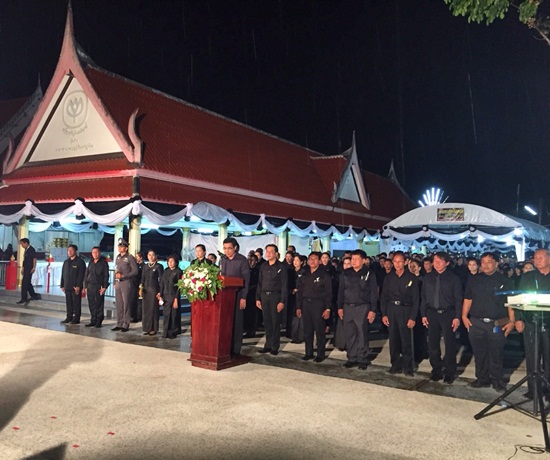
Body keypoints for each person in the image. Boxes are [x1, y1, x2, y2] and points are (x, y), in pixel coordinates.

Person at [462, 252, 515, 392]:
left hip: (497, 323)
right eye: (483, 262)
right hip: (476, 322)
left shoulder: (505, 281)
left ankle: (497, 380)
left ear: (496, 264)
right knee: (479, 353)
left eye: (489, 262)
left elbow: (510, 303)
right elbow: (468, 299)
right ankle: (482, 378)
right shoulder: (474, 279)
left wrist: (512, 321)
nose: (485, 265)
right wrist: (464, 316)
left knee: (496, 353)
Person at [420, 252, 463, 383]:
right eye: (435, 261)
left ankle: (450, 372)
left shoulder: (454, 278)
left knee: (450, 344)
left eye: (440, 261)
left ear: (447, 263)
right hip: (431, 313)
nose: (437, 263)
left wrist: (457, 316)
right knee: (433, 343)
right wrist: (423, 315)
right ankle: (436, 370)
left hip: (448, 313)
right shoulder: (428, 277)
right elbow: (424, 297)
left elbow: (458, 299)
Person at [515, 249, 550, 399]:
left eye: (541, 257)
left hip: (548, 323)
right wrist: (518, 318)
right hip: (531, 322)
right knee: (532, 357)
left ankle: (548, 390)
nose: (537, 260)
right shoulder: (527, 277)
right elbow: (519, 298)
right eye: (535, 258)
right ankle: (533, 390)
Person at [337, 249, 378, 370]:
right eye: (352, 259)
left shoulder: (369, 274)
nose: (353, 261)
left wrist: (373, 310)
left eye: (356, 259)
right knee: (350, 334)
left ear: (364, 260)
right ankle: (352, 357)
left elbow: (373, 293)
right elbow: (341, 291)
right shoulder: (345, 273)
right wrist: (339, 307)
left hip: (363, 307)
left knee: (362, 334)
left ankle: (363, 358)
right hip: (348, 307)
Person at [380, 251, 420, 376]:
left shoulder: (412, 278)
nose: (397, 264)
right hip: (392, 309)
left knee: (406, 340)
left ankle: (408, 367)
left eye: (400, 261)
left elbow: (416, 299)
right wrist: (384, 314)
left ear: (405, 262)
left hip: (406, 310)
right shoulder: (389, 277)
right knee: (394, 339)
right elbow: (384, 297)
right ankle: (395, 365)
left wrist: (413, 317)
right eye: (395, 262)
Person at [296, 252, 332, 362]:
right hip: (306, 304)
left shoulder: (324, 274)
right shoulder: (304, 274)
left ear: (320, 261)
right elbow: (300, 292)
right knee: (307, 330)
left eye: (315, 259)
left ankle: (320, 354)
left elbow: (329, 293)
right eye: (310, 259)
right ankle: (309, 353)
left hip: (319, 304)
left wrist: (328, 308)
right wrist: (298, 307)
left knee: (319, 330)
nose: (312, 261)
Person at [220, 237, 250, 356]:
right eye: (225, 248)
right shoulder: (223, 260)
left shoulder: (242, 260)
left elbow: (246, 280)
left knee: (237, 322)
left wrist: (244, 297)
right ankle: (226, 347)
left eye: (229, 248)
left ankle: (236, 349)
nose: (227, 251)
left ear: (235, 248)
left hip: (238, 295)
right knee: (226, 322)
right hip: (225, 296)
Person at [256, 244, 287, 355]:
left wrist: (282, 301)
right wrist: (258, 298)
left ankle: (275, 346)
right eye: (267, 251)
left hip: (275, 296)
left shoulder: (281, 267)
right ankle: (267, 345)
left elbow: (284, 285)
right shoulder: (263, 266)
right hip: (264, 296)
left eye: (270, 251)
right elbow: (260, 283)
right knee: (267, 322)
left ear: (276, 254)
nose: (268, 253)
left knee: (275, 322)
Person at [112, 238, 138, 332]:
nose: (119, 248)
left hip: (126, 282)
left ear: (126, 248)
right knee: (119, 304)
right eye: (119, 246)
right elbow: (116, 270)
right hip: (118, 282)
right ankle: (119, 323)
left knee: (126, 303)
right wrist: (115, 281)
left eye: (121, 246)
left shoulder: (130, 258)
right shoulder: (118, 257)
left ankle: (126, 324)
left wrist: (124, 275)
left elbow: (135, 271)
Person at [83, 246, 109, 328]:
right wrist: (85, 286)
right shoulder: (91, 262)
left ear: (99, 253)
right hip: (90, 285)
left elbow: (106, 276)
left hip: (99, 286)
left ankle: (99, 320)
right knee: (91, 304)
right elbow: (87, 274)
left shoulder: (103, 263)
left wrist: (104, 287)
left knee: (99, 304)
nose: (95, 254)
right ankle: (93, 320)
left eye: (96, 252)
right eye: (93, 252)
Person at [60, 244, 86, 325]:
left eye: (71, 250)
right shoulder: (66, 262)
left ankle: (76, 317)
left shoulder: (80, 262)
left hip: (75, 287)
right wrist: (62, 285)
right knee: (69, 302)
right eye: (68, 250)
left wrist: (79, 286)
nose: (69, 252)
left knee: (76, 303)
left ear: (75, 251)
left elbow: (81, 275)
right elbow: (63, 274)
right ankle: (69, 316)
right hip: (67, 285)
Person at [159, 255, 183, 339]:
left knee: (173, 315)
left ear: (176, 262)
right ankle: (165, 332)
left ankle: (173, 332)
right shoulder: (166, 271)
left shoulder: (178, 271)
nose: (170, 263)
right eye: (169, 261)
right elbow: (162, 283)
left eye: (172, 261)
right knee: (166, 314)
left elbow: (179, 286)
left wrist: (176, 298)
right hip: (166, 295)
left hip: (174, 295)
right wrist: (160, 295)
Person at [141, 250, 164, 336]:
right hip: (146, 290)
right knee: (146, 309)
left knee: (153, 309)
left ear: (155, 256)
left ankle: (154, 328)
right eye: (149, 255)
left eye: (152, 255)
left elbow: (161, 280)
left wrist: (160, 292)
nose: (151, 257)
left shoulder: (159, 266)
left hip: (154, 289)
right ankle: (146, 328)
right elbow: (142, 278)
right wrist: (141, 288)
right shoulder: (145, 266)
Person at [17, 238, 40, 305]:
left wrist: (33, 267)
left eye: (22, 244)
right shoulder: (26, 250)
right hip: (26, 268)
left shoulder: (31, 249)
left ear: (26, 243)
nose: (21, 245)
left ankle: (24, 298)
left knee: (24, 283)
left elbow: (34, 258)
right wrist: (23, 268)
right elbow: (25, 260)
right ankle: (34, 295)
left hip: (29, 269)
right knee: (28, 283)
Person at [243, 253, 259, 338]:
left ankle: (252, 330)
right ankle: (246, 329)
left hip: (254, 293)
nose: (250, 262)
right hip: (246, 293)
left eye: (252, 260)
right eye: (249, 260)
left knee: (253, 313)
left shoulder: (258, 270)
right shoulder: (246, 270)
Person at [131, 251, 144, 323]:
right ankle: (134, 316)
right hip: (134, 285)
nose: (136, 258)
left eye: (137, 257)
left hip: (139, 285)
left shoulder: (143, 266)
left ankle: (139, 316)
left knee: (139, 302)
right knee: (134, 301)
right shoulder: (135, 265)